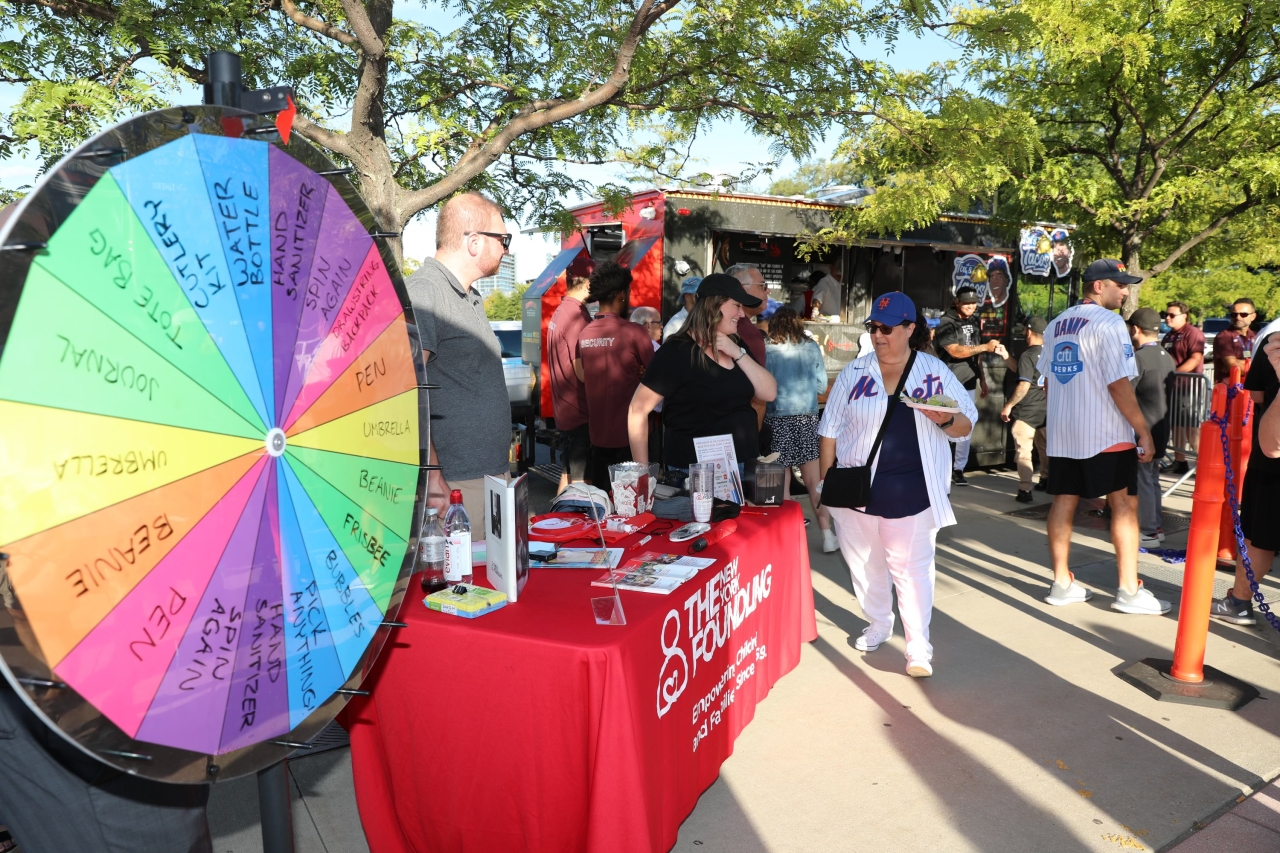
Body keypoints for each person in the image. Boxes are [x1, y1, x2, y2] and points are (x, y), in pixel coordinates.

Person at [817, 292, 978, 678]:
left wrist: (942, 418)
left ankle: (918, 647)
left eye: (887, 329)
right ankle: (878, 622)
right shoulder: (855, 373)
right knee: (865, 568)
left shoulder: (933, 371)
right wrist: (826, 485)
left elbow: (965, 425)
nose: (878, 336)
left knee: (911, 570)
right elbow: (829, 430)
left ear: (909, 328)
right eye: (873, 328)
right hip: (856, 491)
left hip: (912, 490)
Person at [1038, 259, 1168, 615]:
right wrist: (1143, 430)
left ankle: (1061, 583)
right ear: (1098, 286)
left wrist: (1061, 421)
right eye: (1119, 285)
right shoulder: (1111, 323)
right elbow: (1118, 383)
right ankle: (1128, 590)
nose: (1125, 292)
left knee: (1064, 500)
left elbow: (1048, 383)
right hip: (1107, 431)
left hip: (1065, 431)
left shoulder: (1054, 325)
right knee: (1124, 505)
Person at [405, 193, 511, 536]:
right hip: (456, 486)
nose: (506, 249)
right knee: (466, 588)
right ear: (475, 242)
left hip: (486, 478)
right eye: (503, 239)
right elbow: (402, 391)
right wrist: (433, 474)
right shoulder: (426, 291)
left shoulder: (469, 296)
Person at [627, 274, 776, 473]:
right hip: (692, 473)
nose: (742, 314)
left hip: (741, 468)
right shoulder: (677, 351)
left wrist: (737, 353)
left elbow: (769, 393)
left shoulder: (736, 345)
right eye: (737, 305)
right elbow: (637, 410)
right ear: (714, 305)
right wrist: (642, 474)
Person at [1210, 326, 1280, 625]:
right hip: (1271, 457)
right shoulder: (1273, 340)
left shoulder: (1273, 336)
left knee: (1259, 536)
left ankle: (1239, 601)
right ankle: (1238, 600)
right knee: (1258, 534)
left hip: (1271, 458)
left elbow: (1257, 395)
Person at [575, 261, 654, 488]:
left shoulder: (584, 334)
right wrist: (641, 372)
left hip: (597, 437)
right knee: (632, 507)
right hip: (631, 438)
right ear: (621, 294)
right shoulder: (634, 332)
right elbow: (658, 377)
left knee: (604, 508)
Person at [764, 307, 836, 552]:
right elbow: (821, 385)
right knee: (814, 481)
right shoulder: (811, 347)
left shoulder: (766, 348)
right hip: (806, 418)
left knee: (781, 482)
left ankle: (788, 538)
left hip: (777, 420)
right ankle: (827, 535)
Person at [935, 286, 1007, 486]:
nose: (970, 306)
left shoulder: (974, 321)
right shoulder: (946, 323)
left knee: (966, 426)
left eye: (973, 303)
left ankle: (959, 469)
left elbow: (977, 353)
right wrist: (985, 346)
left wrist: (982, 377)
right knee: (944, 425)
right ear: (956, 302)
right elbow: (955, 351)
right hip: (947, 383)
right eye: (966, 302)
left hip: (968, 382)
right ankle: (941, 467)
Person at [1128, 308, 1176, 548]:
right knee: (1152, 479)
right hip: (1160, 427)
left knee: (1144, 480)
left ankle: (1148, 531)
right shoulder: (1166, 356)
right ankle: (1155, 528)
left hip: (1142, 430)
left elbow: (1126, 394)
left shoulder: (1139, 358)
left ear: (1135, 329)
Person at [546, 275, 593, 488]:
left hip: (565, 410)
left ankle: (555, 519)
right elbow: (581, 371)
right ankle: (574, 518)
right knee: (582, 484)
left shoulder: (561, 309)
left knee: (567, 474)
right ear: (587, 283)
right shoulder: (577, 316)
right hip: (580, 410)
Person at [1000, 317, 1049, 502]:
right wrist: (1005, 356)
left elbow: (1024, 384)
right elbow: (1023, 371)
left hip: (1027, 410)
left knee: (1023, 450)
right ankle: (1045, 479)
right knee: (1044, 447)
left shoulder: (1028, 355)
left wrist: (1009, 405)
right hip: (1046, 408)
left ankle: (1025, 490)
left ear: (1028, 332)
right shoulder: (1051, 353)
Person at [1161, 300, 1204, 475]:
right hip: (1172, 387)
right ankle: (1180, 462)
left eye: (1172, 315)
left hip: (1188, 387)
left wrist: (1174, 374)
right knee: (1176, 425)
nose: (1167, 318)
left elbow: (1195, 359)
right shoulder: (1169, 336)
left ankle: (1204, 463)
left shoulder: (1192, 333)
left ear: (1184, 316)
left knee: (1191, 427)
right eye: (1166, 315)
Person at [1213, 297, 1257, 383]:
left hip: (1252, 392)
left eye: (1243, 314)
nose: (1238, 317)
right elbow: (1233, 366)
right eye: (1234, 314)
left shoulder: (1257, 336)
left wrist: (1239, 362)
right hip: (1228, 392)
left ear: (1253, 316)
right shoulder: (1223, 337)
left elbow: (1268, 364)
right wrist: (1258, 367)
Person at [663, 276, 702, 341]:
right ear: (687, 297)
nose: (703, 297)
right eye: (698, 294)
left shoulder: (704, 319)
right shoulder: (674, 325)